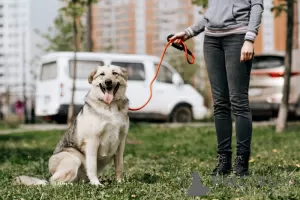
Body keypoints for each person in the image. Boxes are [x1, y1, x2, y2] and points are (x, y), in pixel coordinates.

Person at [170, 0, 264, 176]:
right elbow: (212, 14)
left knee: (239, 102)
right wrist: (188, 33)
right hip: (212, 40)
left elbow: (257, 6)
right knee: (220, 103)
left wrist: (249, 39)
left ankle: (242, 162)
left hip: (238, 37)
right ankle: (224, 161)